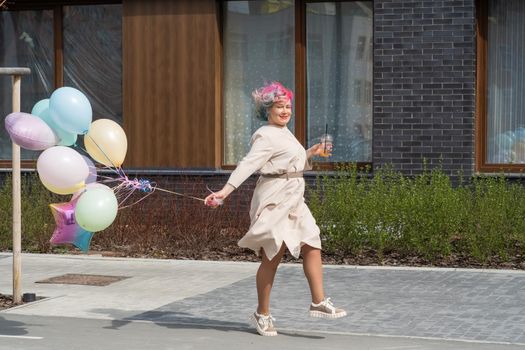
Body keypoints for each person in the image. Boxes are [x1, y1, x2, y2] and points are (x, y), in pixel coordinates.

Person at [204, 82, 346, 337]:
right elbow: (249, 164)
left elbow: (292, 162)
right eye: (279, 106)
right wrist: (225, 191)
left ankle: (318, 300)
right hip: (274, 198)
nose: (285, 111)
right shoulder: (265, 135)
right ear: (267, 110)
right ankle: (262, 313)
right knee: (273, 256)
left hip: (294, 197)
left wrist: (313, 151)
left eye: (288, 106)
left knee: (312, 242)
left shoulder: (285, 133)